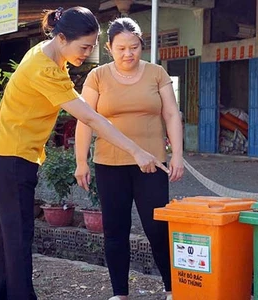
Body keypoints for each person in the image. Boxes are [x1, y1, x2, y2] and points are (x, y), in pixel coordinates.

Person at [0, 7, 168, 300]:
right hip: (12, 157)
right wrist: (136, 150)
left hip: (9, 152)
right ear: (61, 38)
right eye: (83, 47)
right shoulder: (44, 69)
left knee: (7, 236)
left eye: (91, 47)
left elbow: (84, 108)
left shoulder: (48, 57)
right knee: (18, 235)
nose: (87, 54)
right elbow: (91, 118)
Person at [74, 17, 184, 300]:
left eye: (133, 47)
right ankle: (120, 293)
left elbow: (171, 114)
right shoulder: (97, 76)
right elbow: (85, 120)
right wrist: (81, 161)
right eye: (121, 48)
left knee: (157, 228)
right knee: (115, 230)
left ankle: (172, 289)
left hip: (152, 164)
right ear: (109, 47)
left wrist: (178, 156)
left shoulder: (157, 73)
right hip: (109, 165)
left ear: (141, 46)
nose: (128, 54)